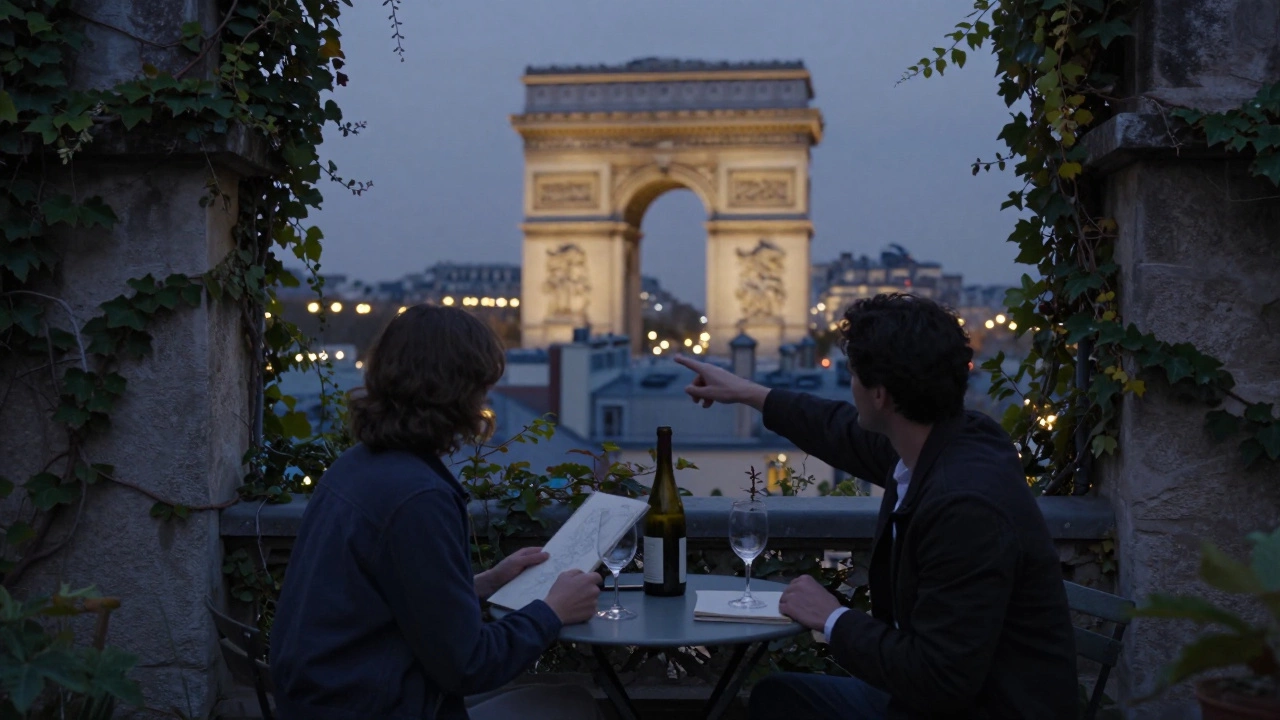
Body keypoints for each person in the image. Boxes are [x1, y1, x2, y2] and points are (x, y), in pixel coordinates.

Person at [674, 294, 1077, 720]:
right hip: (953, 697)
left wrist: (833, 619)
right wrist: (747, 392)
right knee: (778, 698)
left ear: (880, 394)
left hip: (985, 709)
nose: (850, 387)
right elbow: (839, 430)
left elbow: (941, 679)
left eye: (853, 375)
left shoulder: (964, 508)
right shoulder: (954, 439)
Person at [270, 305, 603, 720]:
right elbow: (470, 665)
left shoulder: (357, 465)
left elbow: (391, 596)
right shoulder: (418, 497)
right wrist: (552, 612)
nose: (485, 400)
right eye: (482, 387)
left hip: (331, 698)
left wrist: (484, 583)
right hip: (376, 705)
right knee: (573, 705)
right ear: (459, 393)